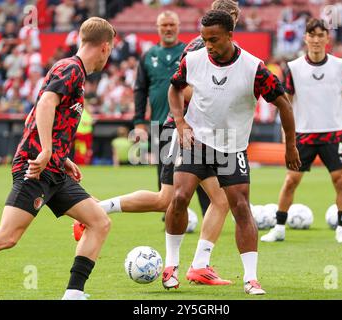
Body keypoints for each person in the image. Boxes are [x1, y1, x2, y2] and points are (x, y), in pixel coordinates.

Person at [74, 0, 242, 286]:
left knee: (213, 199)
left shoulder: (212, 48)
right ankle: (99, 210)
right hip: (183, 130)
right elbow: (182, 88)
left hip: (197, 132)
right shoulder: (201, 47)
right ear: (232, 18)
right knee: (172, 199)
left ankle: (200, 265)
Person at [0, 17, 116, 300]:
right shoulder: (72, 69)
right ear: (105, 46)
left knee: (99, 221)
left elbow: (39, 111)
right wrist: (45, 150)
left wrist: (61, 155)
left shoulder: (69, 70)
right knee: (6, 236)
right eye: (111, 48)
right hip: (36, 167)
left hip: (54, 169)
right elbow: (45, 104)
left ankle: (74, 294)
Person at [163, 10, 300, 295]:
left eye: (214, 39)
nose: (208, 44)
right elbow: (174, 89)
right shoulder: (194, 59)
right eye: (204, 39)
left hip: (232, 146)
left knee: (240, 208)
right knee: (178, 197)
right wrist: (179, 122)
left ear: (230, 35)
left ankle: (250, 278)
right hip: (196, 141)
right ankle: (171, 265)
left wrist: (290, 145)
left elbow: (284, 104)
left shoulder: (254, 68)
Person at [261, 18, 342, 244]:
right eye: (313, 35)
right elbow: (286, 102)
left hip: (333, 132)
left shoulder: (340, 66)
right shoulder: (293, 68)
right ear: (306, 38)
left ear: (327, 39)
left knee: (340, 180)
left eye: (321, 35)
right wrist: (286, 131)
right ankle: (279, 227)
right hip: (304, 134)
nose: (317, 40)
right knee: (291, 180)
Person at [133, 10, 211, 215]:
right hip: (161, 123)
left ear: (178, 26)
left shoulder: (191, 52)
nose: (168, 28)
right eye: (164, 25)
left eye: (172, 25)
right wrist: (139, 122)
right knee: (165, 172)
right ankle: (169, 214)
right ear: (158, 28)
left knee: (202, 168)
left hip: (193, 122)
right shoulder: (148, 56)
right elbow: (140, 89)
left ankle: (208, 212)